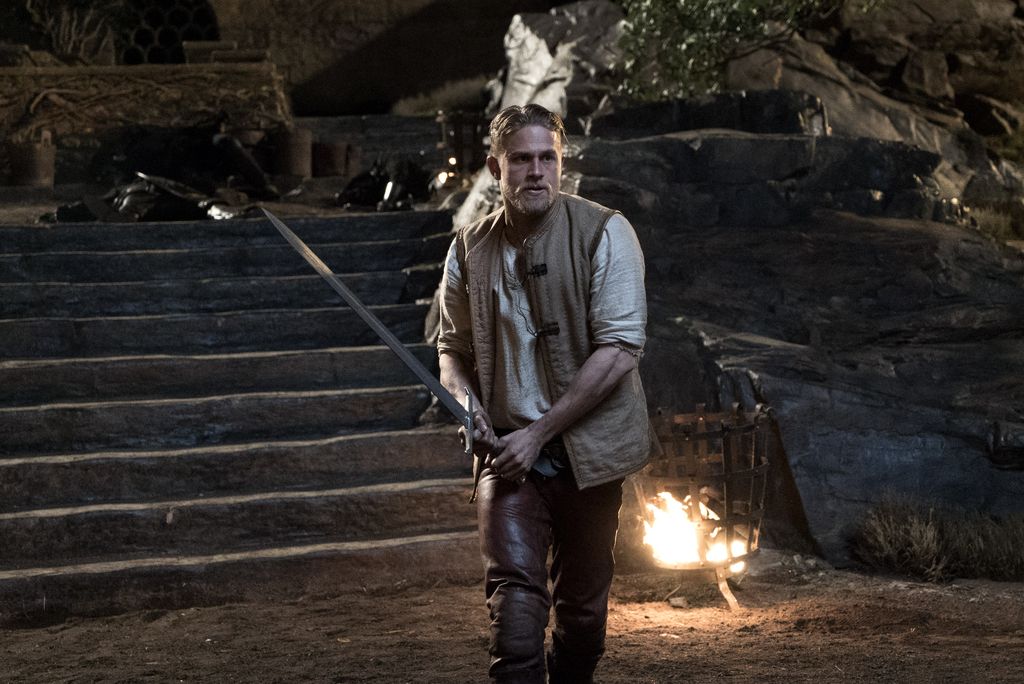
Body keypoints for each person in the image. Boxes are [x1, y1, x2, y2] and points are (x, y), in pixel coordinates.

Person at [437, 103, 651, 683]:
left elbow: (619, 350)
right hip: (508, 457)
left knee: (581, 616)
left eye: (547, 158)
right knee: (514, 611)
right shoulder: (468, 249)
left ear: (562, 162)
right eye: (521, 159)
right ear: (495, 168)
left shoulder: (606, 232)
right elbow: (451, 350)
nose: (536, 172)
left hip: (589, 455)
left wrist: (539, 434)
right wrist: (469, 407)